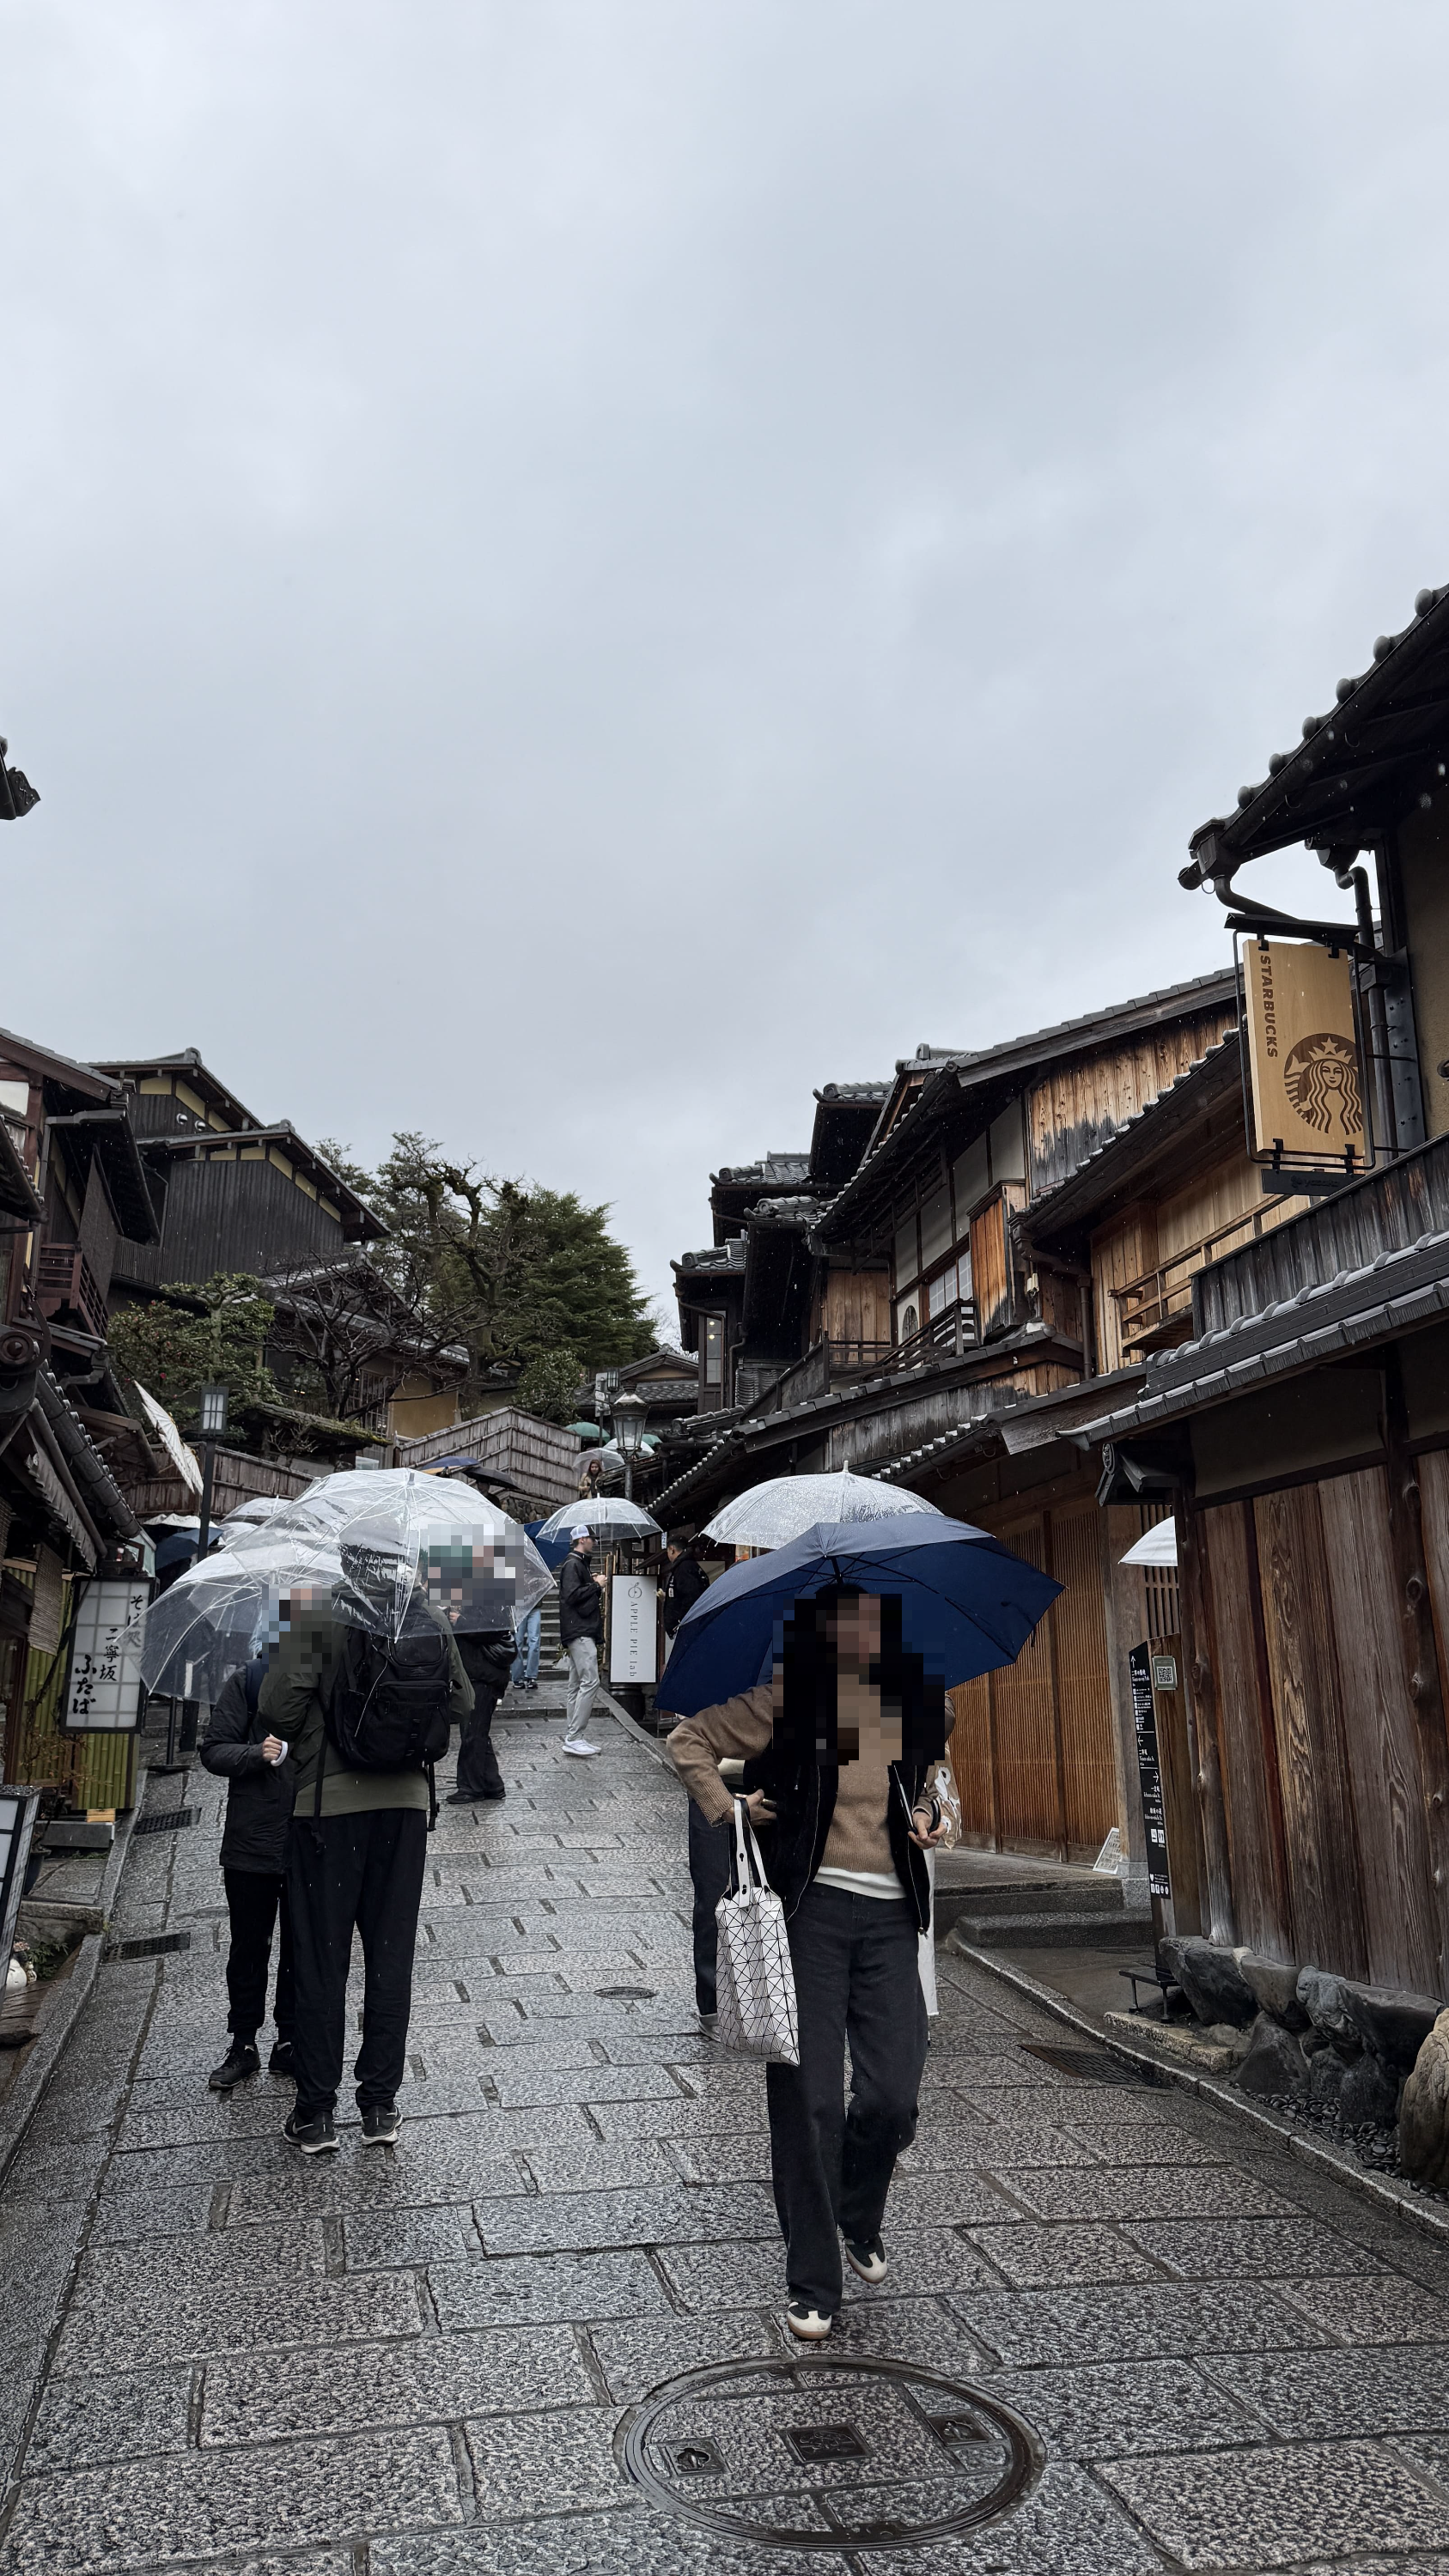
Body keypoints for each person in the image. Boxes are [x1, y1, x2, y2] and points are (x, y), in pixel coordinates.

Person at [668, 1588, 950, 2343]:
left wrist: (929, 1814)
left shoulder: (916, 1697)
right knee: (811, 2100)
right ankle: (812, 2277)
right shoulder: (785, 1701)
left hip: (895, 1921)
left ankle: (856, 2216)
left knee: (892, 2096)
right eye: (844, 1625)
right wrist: (727, 1806)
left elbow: (932, 1785)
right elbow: (688, 1741)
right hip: (811, 1917)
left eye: (872, 1624)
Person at [259, 1553, 473, 2154]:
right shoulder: (425, 1614)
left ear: (348, 1562)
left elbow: (277, 1708)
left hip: (326, 1808)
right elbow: (461, 1704)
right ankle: (379, 2106)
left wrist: (324, 1716)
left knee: (322, 1960)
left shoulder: (316, 1614)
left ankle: (316, 2114)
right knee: (390, 1957)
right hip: (405, 1806)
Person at [199, 1655, 295, 2091]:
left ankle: (290, 2041)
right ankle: (244, 2043)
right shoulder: (250, 1678)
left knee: (305, 1947)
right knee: (249, 1945)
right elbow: (214, 1748)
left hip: (311, 1834)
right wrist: (255, 1753)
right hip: (251, 1839)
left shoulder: (333, 1676)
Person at [557, 1526, 605, 1757]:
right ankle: (574, 1736)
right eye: (592, 1539)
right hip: (580, 1630)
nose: (595, 1542)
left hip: (576, 1629)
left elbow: (574, 1592)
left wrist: (592, 1582)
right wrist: (597, 1585)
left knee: (575, 1685)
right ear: (583, 1539)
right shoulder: (574, 1564)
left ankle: (573, 1736)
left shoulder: (576, 1563)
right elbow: (572, 1595)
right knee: (590, 1682)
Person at [661, 1534, 707, 1656]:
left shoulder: (684, 1567)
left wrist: (682, 1622)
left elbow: (692, 1596)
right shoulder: (687, 1566)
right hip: (687, 1626)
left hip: (686, 1628)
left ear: (672, 1549)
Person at [510, 1601, 542, 1693]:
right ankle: (517, 1677)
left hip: (534, 1605)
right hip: (519, 1607)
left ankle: (531, 1676)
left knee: (534, 1641)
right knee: (517, 1642)